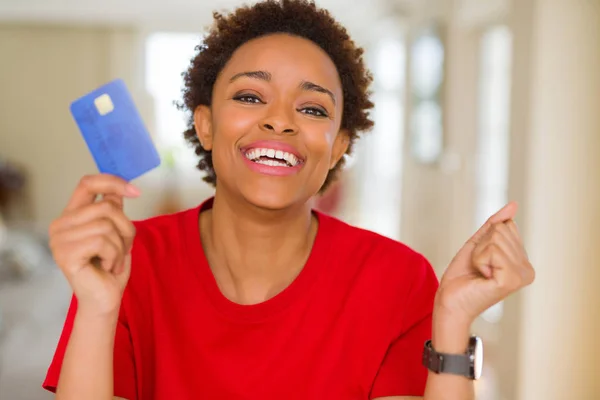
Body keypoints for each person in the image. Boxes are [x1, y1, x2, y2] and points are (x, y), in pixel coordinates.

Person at [42, 1, 535, 399]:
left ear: (340, 143)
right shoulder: (128, 261)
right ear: (206, 125)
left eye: (312, 107)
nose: (280, 121)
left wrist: (452, 320)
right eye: (250, 97)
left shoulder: (397, 280)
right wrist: (98, 307)